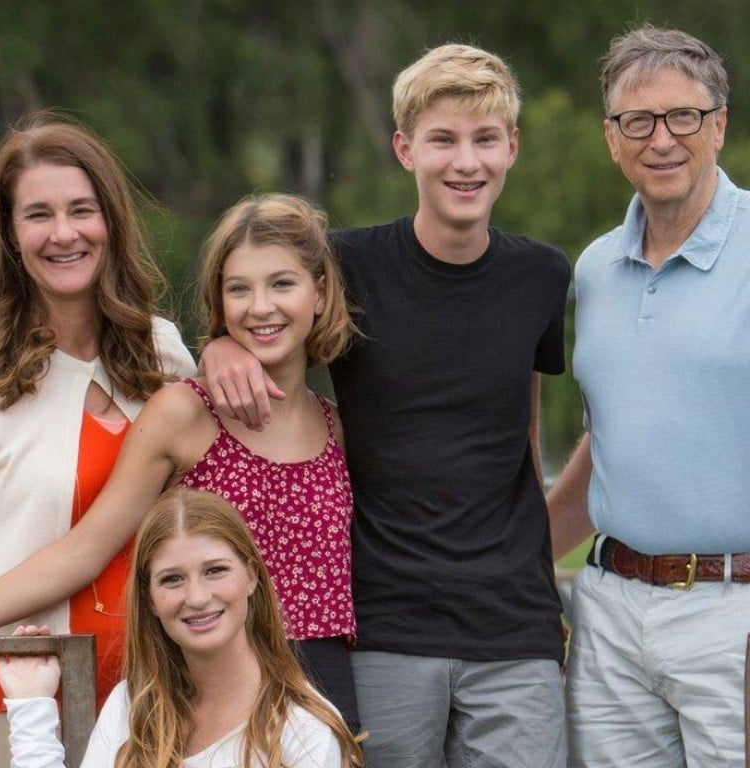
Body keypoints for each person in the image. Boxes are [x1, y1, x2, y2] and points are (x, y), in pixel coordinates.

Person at [202, 43, 571, 767]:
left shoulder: (542, 275)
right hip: (382, 625)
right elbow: (265, 298)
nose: (465, 162)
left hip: (515, 632)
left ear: (512, 148)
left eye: (485, 139)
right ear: (405, 149)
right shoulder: (348, 265)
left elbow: (520, 432)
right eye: (443, 140)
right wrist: (221, 344)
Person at [0, 193, 361, 730]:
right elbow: (85, 550)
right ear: (219, 302)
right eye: (238, 289)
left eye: (282, 284)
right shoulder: (186, 411)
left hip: (323, 693)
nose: (260, 306)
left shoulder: (335, 427)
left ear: (319, 293)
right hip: (213, 688)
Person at [547, 24, 750, 767]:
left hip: (737, 611)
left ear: (719, 125)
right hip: (611, 607)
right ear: (612, 138)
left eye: (683, 117)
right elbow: (615, 441)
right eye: (639, 120)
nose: (661, 138)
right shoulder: (596, 268)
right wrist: (510, 558)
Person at [0, 111, 196, 767]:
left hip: (154, 700)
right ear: (10, 234)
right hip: (9, 696)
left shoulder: (164, 353)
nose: (64, 233)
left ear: (112, 221)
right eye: (38, 215)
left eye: (82, 209)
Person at [0, 487, 364, 768]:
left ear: (251, 576)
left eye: (215, 570)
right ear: (151, 599)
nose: (198, 597)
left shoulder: (304, 731)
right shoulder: (132, 705)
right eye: (172, 579)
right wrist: (33, 707)